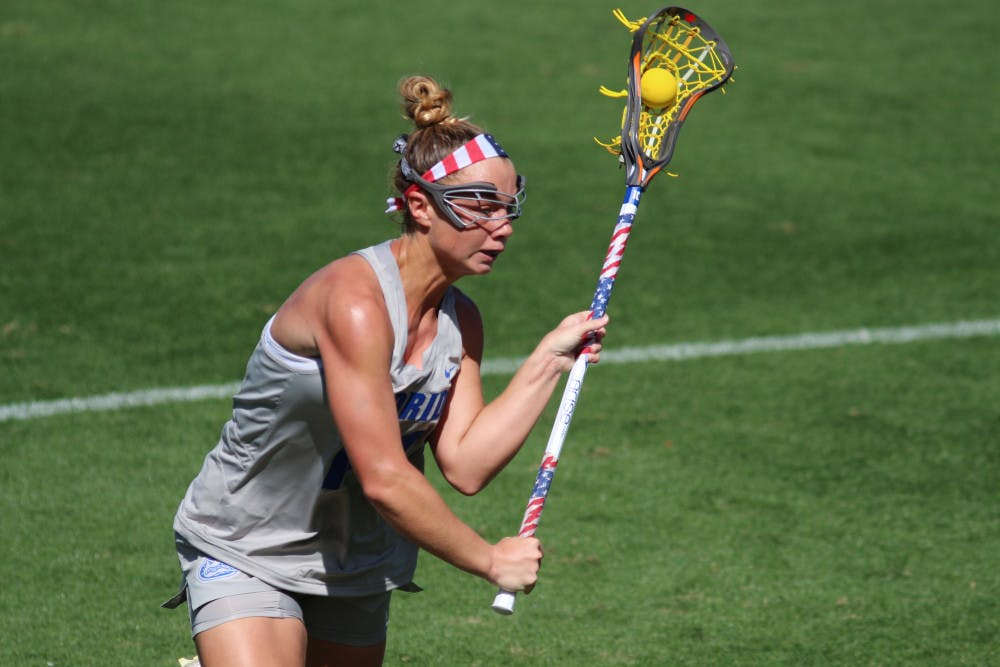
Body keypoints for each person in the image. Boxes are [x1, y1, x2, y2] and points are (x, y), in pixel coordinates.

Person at [163, 74, 608, 667]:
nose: (501, 225)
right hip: (246, 542)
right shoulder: (354, 303)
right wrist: (488, 560)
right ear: (421, 206)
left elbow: (467, 465)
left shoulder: (460, 321)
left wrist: (549, 360)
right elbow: (384, 477)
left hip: (355, 560)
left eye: (508, 205)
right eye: (479, 205)